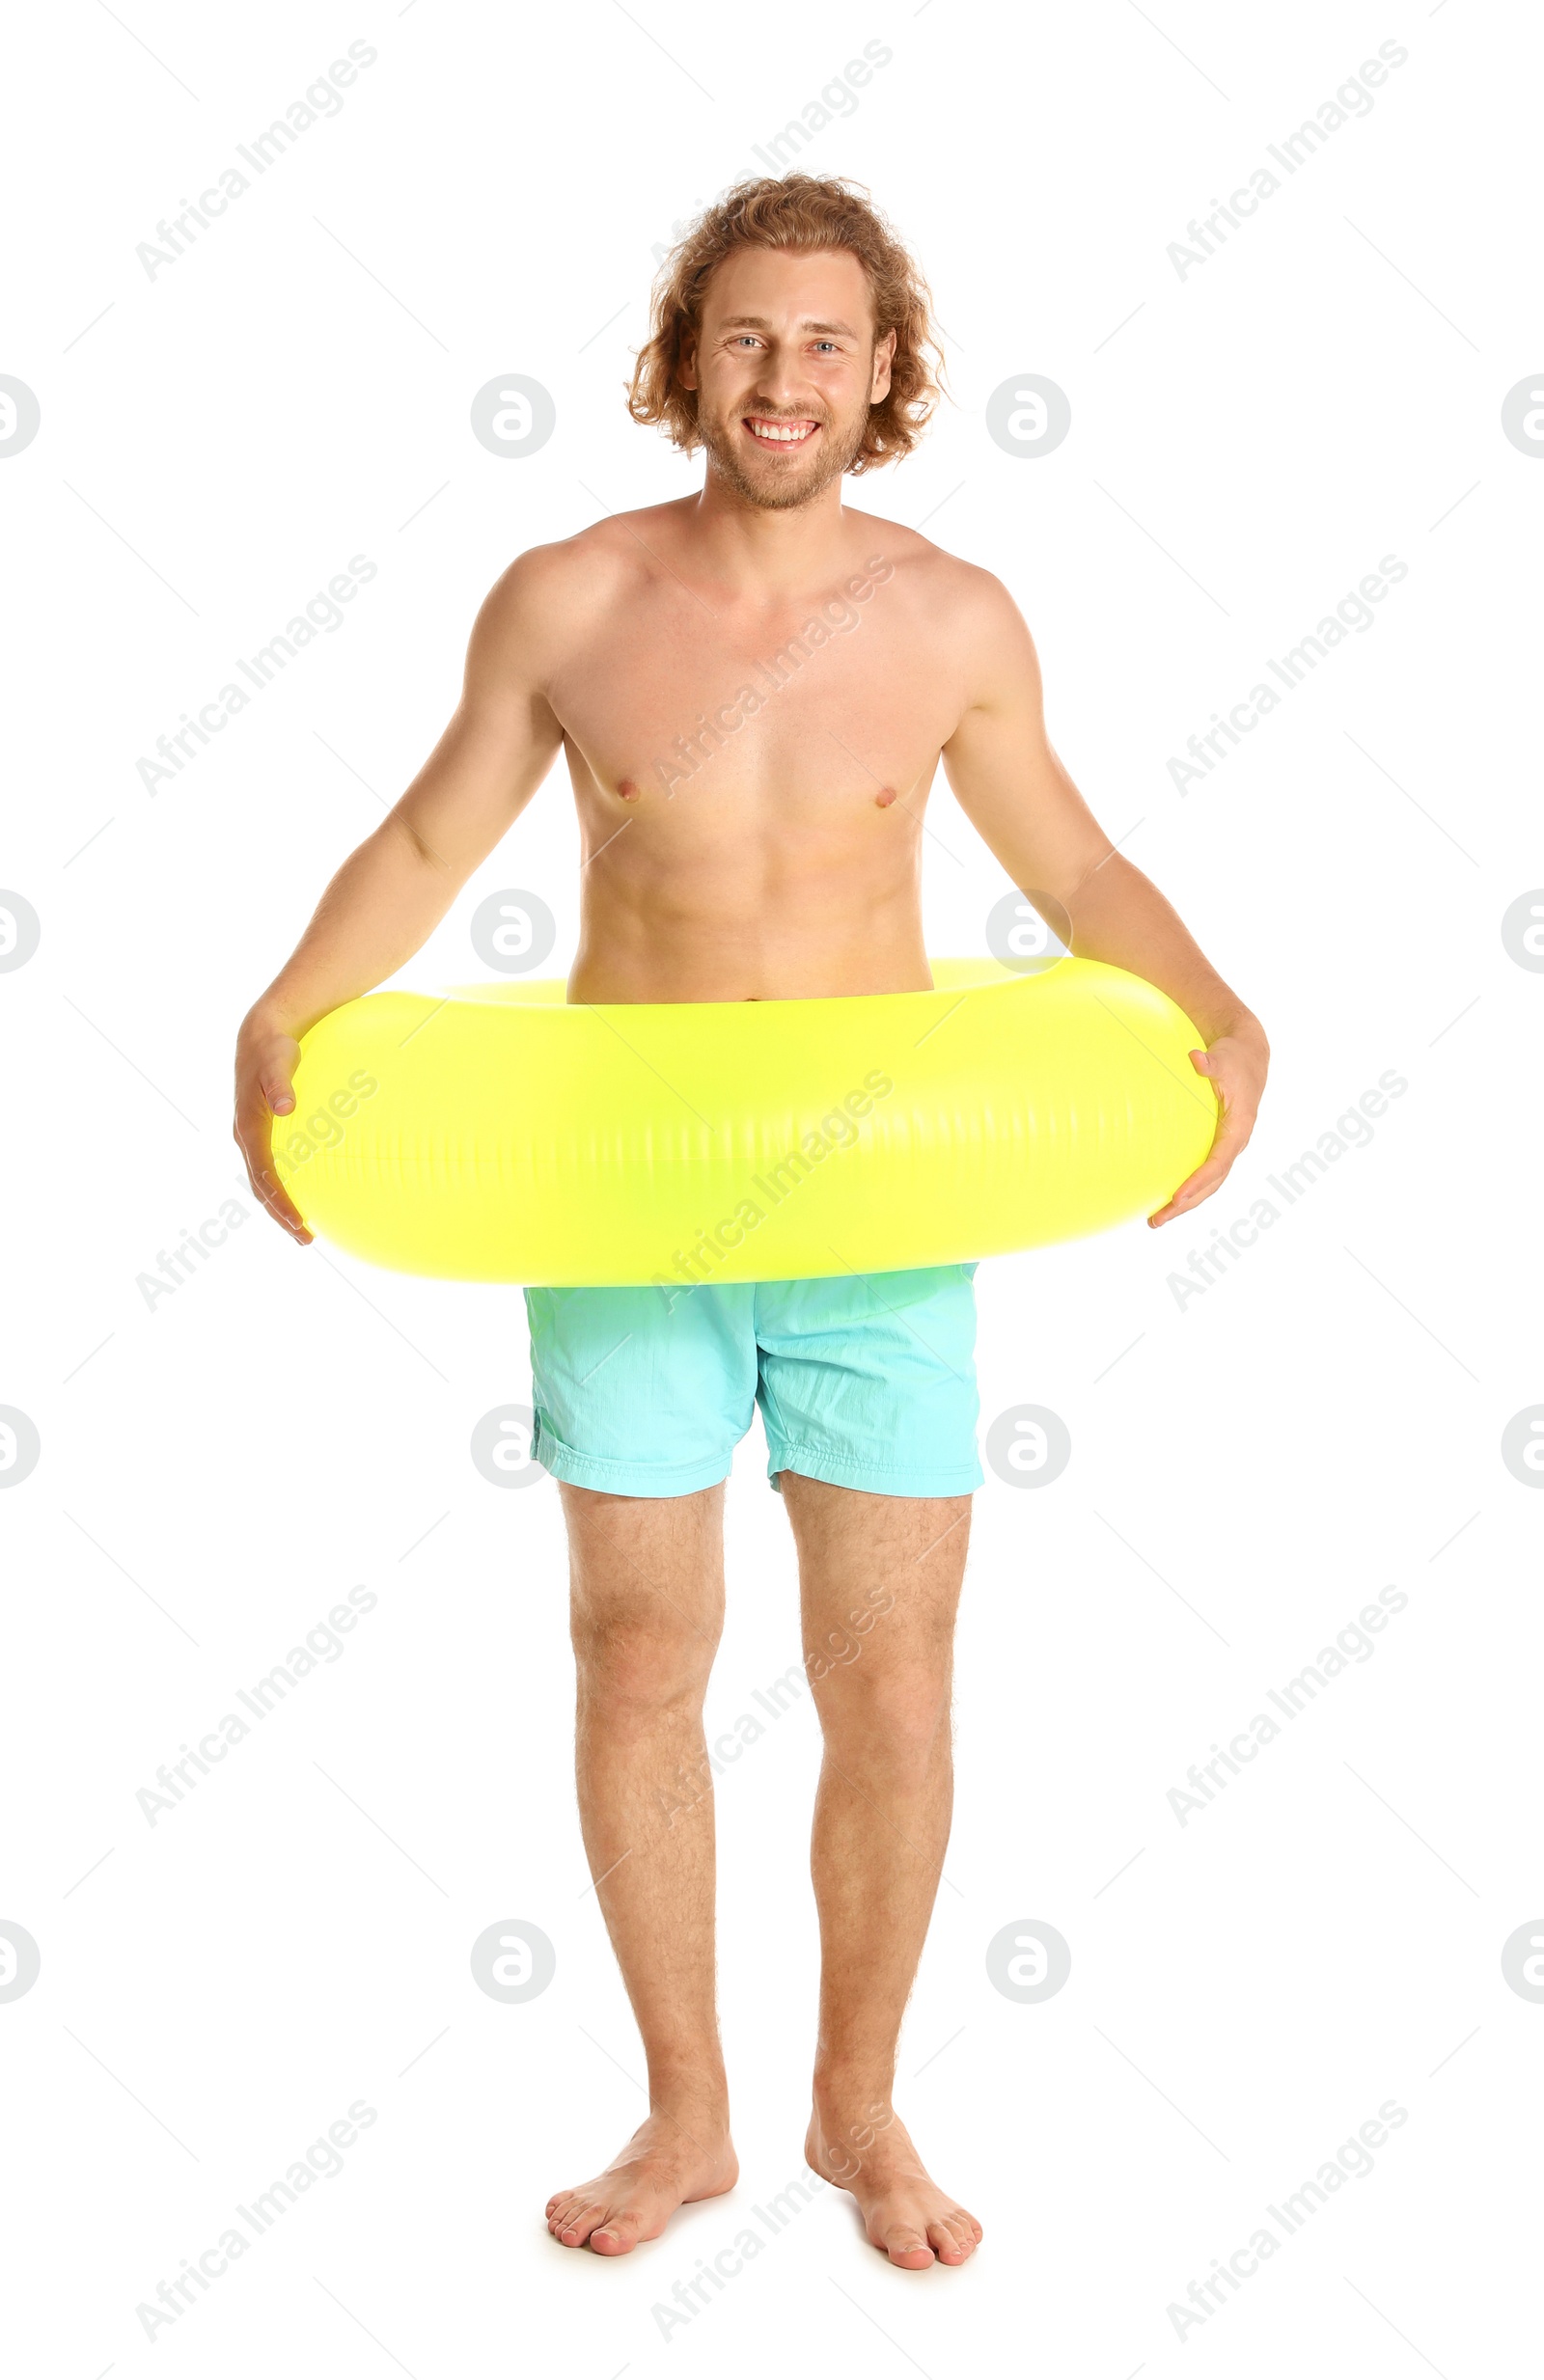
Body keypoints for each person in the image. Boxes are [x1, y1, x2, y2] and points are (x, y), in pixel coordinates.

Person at [234, 174, 1269, 2270]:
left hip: (878, 1202)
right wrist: (284, 1007)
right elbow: (435, 831)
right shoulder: (566, 599)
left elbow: (1066, 870)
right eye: (743, 337)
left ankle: (858, 2108)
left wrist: (1219, 1011)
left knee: (884, 1675)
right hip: (624, 1202)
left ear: (881, 367)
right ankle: (687, 2112)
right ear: (680, 357)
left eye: (822, 341)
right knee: (638, 1654)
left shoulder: (951, 616)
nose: (782, 378)